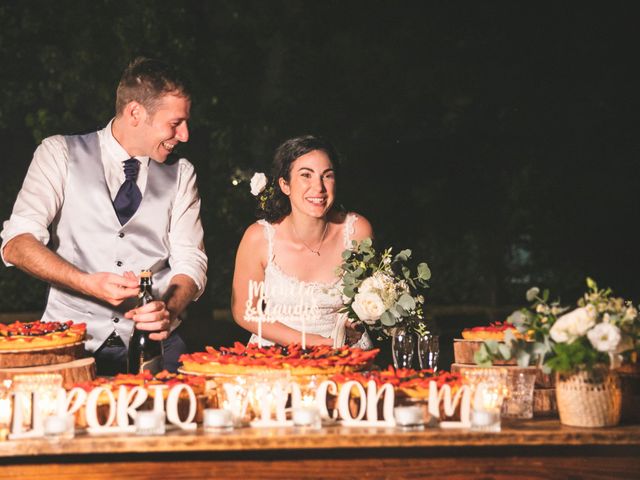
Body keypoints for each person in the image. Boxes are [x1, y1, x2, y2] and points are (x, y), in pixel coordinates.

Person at [0, 57, 207, 375]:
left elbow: (191, 261)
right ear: (135, 112)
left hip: (155, 347)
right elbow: (17, 243)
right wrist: (86, 283)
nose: (185, 135)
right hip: (69, 345)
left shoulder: (182, 174)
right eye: (175, 123)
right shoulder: (59, 154)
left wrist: (168, 309)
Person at [231, 135, 373, 348]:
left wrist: (354, 325)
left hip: (344, 353)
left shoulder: (357, 231)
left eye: (327, 176)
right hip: (276, 354)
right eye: (306, 175)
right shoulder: (259, 238)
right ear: (285, 185)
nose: (318, 188)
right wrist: (309, 342)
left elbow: (366, 301)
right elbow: (244, 311)